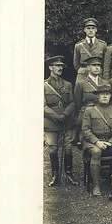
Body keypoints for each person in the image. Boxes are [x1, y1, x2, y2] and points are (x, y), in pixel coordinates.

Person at [81, 84, 112, 196]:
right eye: (102, 94)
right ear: (98, 96)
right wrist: (97, 142)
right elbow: (85, 129)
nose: (105, 96)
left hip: (111, 142)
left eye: (107, 94)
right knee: (97, 152)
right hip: (93, 143)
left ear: (110, 96)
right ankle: (96, 185)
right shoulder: (89, 110)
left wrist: (111, 142)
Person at [44, 56, 78, 186]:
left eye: (61, 66)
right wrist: (56, 117)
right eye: (57, 66)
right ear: (50, 67)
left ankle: (69, 175)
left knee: (68, 148)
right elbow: (43, 105)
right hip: (51, 123)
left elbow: (71, 103)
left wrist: (64, 115)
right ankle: (55, 176)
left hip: (66, 120)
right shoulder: (44, 85)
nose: (60, 68)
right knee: (53, 148)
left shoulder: (68, 84)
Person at [73, 56, 108, 144]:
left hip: (102, 113)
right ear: (88, 67)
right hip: (86, 114)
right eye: (94, 65)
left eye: (98, 66)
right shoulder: (81, 83)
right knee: (86, 139)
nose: (97, 68)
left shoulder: (105, 83)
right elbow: (77, 102)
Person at [73, 18, 107, 82]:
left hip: (98, 74)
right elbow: (76, 64)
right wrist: (83, 71)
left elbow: (105, 63)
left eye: (93, 28)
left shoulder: (102, 45)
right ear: (85, 30)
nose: (91, 30)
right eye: (88, 28)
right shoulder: (79, 45)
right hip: (83, 75)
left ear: (96, 30)